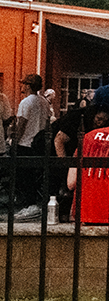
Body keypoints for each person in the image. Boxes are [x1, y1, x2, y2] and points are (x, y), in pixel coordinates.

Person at [6, 74, 52, 222]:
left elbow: (22, 124)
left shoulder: (26, 102)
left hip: (25, 144)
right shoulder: (44, 102)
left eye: (23, 83)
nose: (21, 86)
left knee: (24, 176)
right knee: (35, 175)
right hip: (39, 144)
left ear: (28, 85)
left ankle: (28, 204)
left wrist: (14, 141)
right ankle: (34, 204)